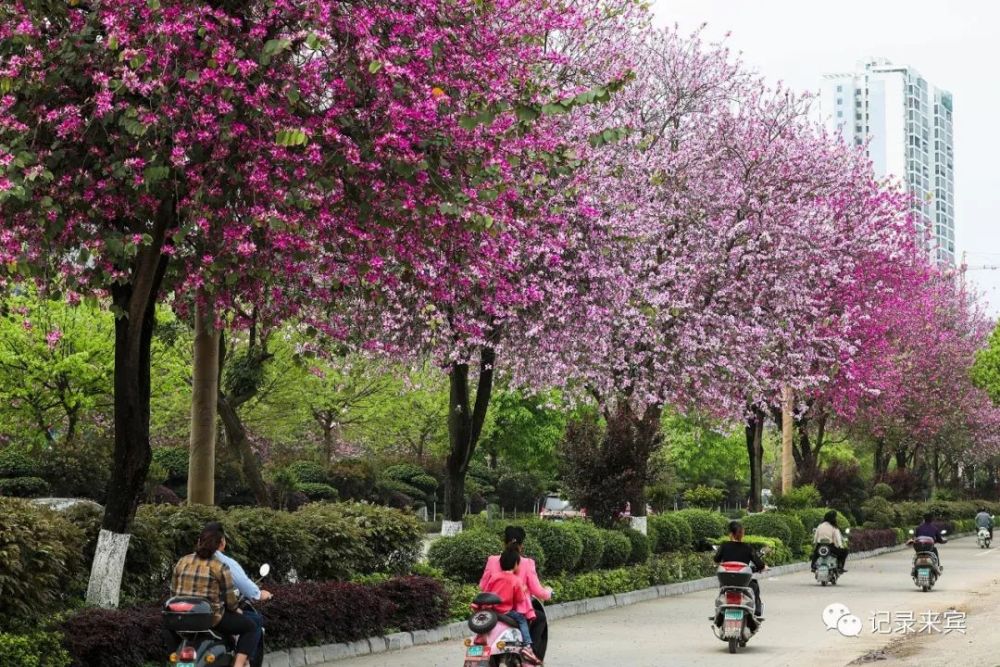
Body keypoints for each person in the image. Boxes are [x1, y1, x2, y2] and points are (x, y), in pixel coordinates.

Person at [169, 523, 257, 667]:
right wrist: (237, 610)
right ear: (220, 545)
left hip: (180, 619)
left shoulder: (182, 561)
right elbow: (231, 603)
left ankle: (173, 658)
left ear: (199, 541)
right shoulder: (220, 567)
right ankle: (239, 665)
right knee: (251, 627)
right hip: (211, 619)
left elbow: (173, 593)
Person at [480, 526, 553, 659]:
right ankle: (530, 653)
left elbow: (483, 587)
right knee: (540, 618)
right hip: (515, 611)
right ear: (521, 545)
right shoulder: (527, 562)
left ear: (504, 542)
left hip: (493, 610)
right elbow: (537, 591)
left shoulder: (492, 560)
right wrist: (548, 592)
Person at [209, 522, 272, 663]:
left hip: (181, 616)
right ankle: (240, 664)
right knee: (254, 622)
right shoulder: (222, 563)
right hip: (213, 615)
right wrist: (257, 594)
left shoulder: (186, 560)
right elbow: (239, 591)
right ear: (222, 542)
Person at [482, 547, 540, 665]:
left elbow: (486, 591)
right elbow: (519, 598)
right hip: (506, 611)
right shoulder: (516, 580)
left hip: (493, 610)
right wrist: (523, 590)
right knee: (522, 620)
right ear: (515, 564)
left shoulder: (494, 577)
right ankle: (527, 645)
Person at [713, 521, 766, 618]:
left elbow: (716, 560)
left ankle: (720, 612)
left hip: (726, 582)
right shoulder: (747, 547)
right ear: (742, 534)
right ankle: (757, 611)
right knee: (755, 585)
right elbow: (760, 564)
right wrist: (764, 567)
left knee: (721, 592)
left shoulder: (724, 546)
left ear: (730, 534)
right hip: (744, 583)